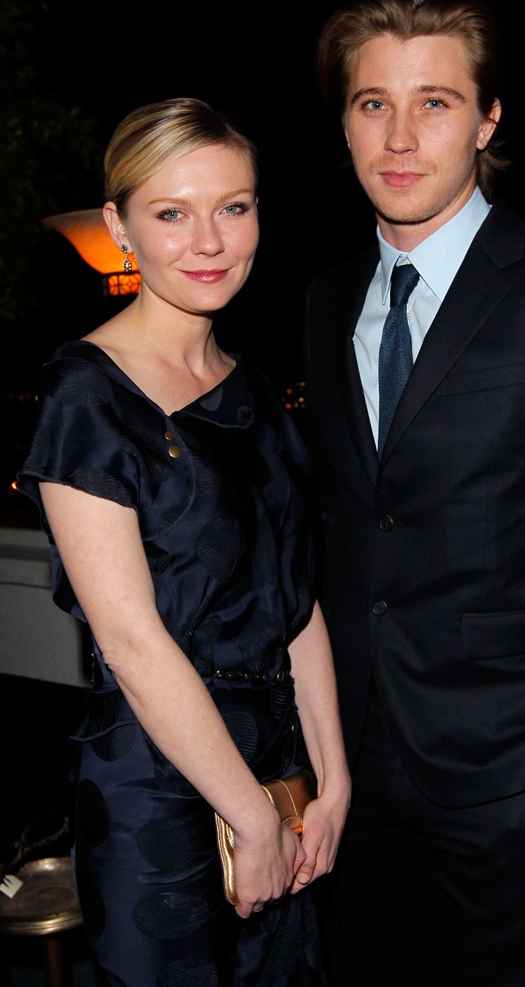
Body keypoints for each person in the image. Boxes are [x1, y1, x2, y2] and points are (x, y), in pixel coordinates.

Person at [303, 0, 525, 987]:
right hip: (354, 782)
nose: (399, 136)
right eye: (372, 104)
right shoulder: (323, 302)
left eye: (435, 102)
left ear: (487, 118)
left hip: (513, 781)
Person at [17, 97, 350, 987]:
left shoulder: (255, 387)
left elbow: (298, 600)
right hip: (159, 793)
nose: (209, 240)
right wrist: (251, 817)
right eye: (172, 212)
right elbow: (130, 641)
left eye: (233, 207)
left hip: (280, 773)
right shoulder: (85, 396)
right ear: (120, 225)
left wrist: (333, 775)